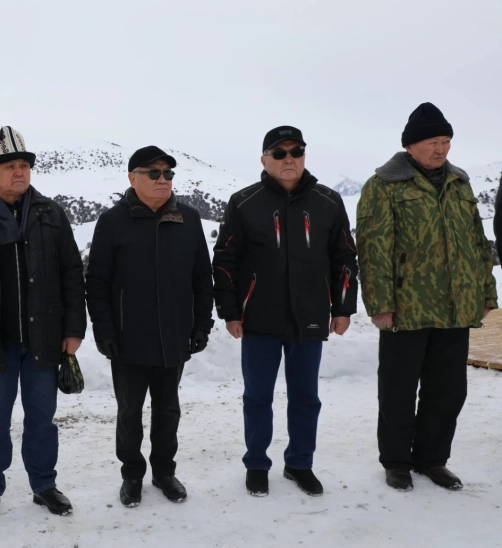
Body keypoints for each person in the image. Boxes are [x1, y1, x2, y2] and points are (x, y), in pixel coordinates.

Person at [0, 126, 86, 524]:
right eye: (9, 166)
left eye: (24, 164)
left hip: (44, 338)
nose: (19, 171)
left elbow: (71, 274)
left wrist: (74, 329)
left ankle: (44, 485)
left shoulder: (50, 214)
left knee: (42, 419)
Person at [356, 103, 496, 492]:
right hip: (407, 307)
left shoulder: (459, 183)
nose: (441, 149)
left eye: (446, 141)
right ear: (411, 145)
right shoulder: (383, 185)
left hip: (455, 307)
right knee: (398, 389)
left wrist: (486, 291)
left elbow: (477, 243)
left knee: (448, 390)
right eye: (433, 141)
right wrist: (380, 305)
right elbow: (373, 249)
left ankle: (432, 459)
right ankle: (397, 461)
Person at [213, 126, 357, 497]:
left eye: (296, 151)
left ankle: (299, 463)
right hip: (258, 317)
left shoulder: (328, 201)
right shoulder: (244, 202)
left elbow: (344, 257)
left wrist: (343, 308)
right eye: (279, 153)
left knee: (306, 397)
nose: (289, 158)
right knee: (257, 397)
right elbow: (226, 259)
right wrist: (230, 311)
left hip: (310, 316)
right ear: (265, 161)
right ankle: (257, 464)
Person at [85, 146, 213, 507]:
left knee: (168, 410)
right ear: (132, 178)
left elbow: (202, 278)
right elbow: (97, 282)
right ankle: (132, 475)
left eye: (168, 173)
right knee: (129, 412)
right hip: (128, 338)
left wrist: (201, 325)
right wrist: (104, 331)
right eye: (153, 173)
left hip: (174, 334)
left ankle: (164, 472)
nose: (162, 180)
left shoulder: (188, 219)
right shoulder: (113, 222)